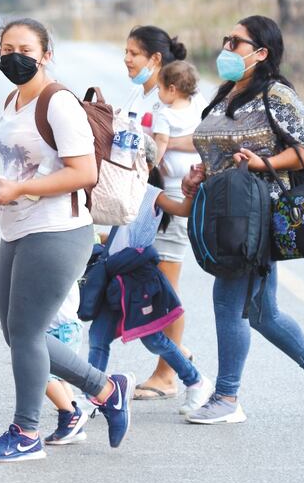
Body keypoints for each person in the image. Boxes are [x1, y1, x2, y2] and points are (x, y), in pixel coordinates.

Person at [0, 18, 135, 463]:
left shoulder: (58, 102)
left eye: (25, 48)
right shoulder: (13, 99)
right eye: (6, 48)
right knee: (16, 334)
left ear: (46, 54)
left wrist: (20, 189)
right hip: (17, 226)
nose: (14, 56)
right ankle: (106, 388)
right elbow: (24, 164)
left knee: (27, 332)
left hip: (58, 230)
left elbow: (83, 173)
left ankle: (26, 433)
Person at [181, 14, 304, 424]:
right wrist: (200, 174)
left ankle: (226, 398)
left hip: (258, 213)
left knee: (229, 301)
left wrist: (265, 162)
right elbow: (217, 147)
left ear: (261, 53)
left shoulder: (276, 94)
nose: (227, 47)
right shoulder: (226, 93)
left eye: (236, 42)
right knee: (262, 312)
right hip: (226, 209)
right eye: (226, 39)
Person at [88, 137, 214, 415]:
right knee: (98, 336)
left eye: (127, 159)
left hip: (137, 281)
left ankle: (196, 382)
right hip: (114, 278)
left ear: (145, 165)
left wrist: (192, 188)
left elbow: (182, 210)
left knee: (154, 339)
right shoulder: (119, 192)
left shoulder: (151, 194)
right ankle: (93, 395)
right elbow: (119, 236)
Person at [122, 26, 204, 400]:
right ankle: (177, 355)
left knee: (165, 290)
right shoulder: (143, 96)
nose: (127, 60)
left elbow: (190, 142)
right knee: (139, 285)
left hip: (172, 202)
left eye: (134, 53)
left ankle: (167, 374)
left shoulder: (175, 99)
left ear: (156, 59)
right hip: (145, 201)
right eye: (125, 52)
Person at [43, 283, 88, 445]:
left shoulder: (57, 264)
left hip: (61, 329)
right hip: (66, 328)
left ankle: (70, 416)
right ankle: (74, 426)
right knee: (60, 376)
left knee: (40, 374)